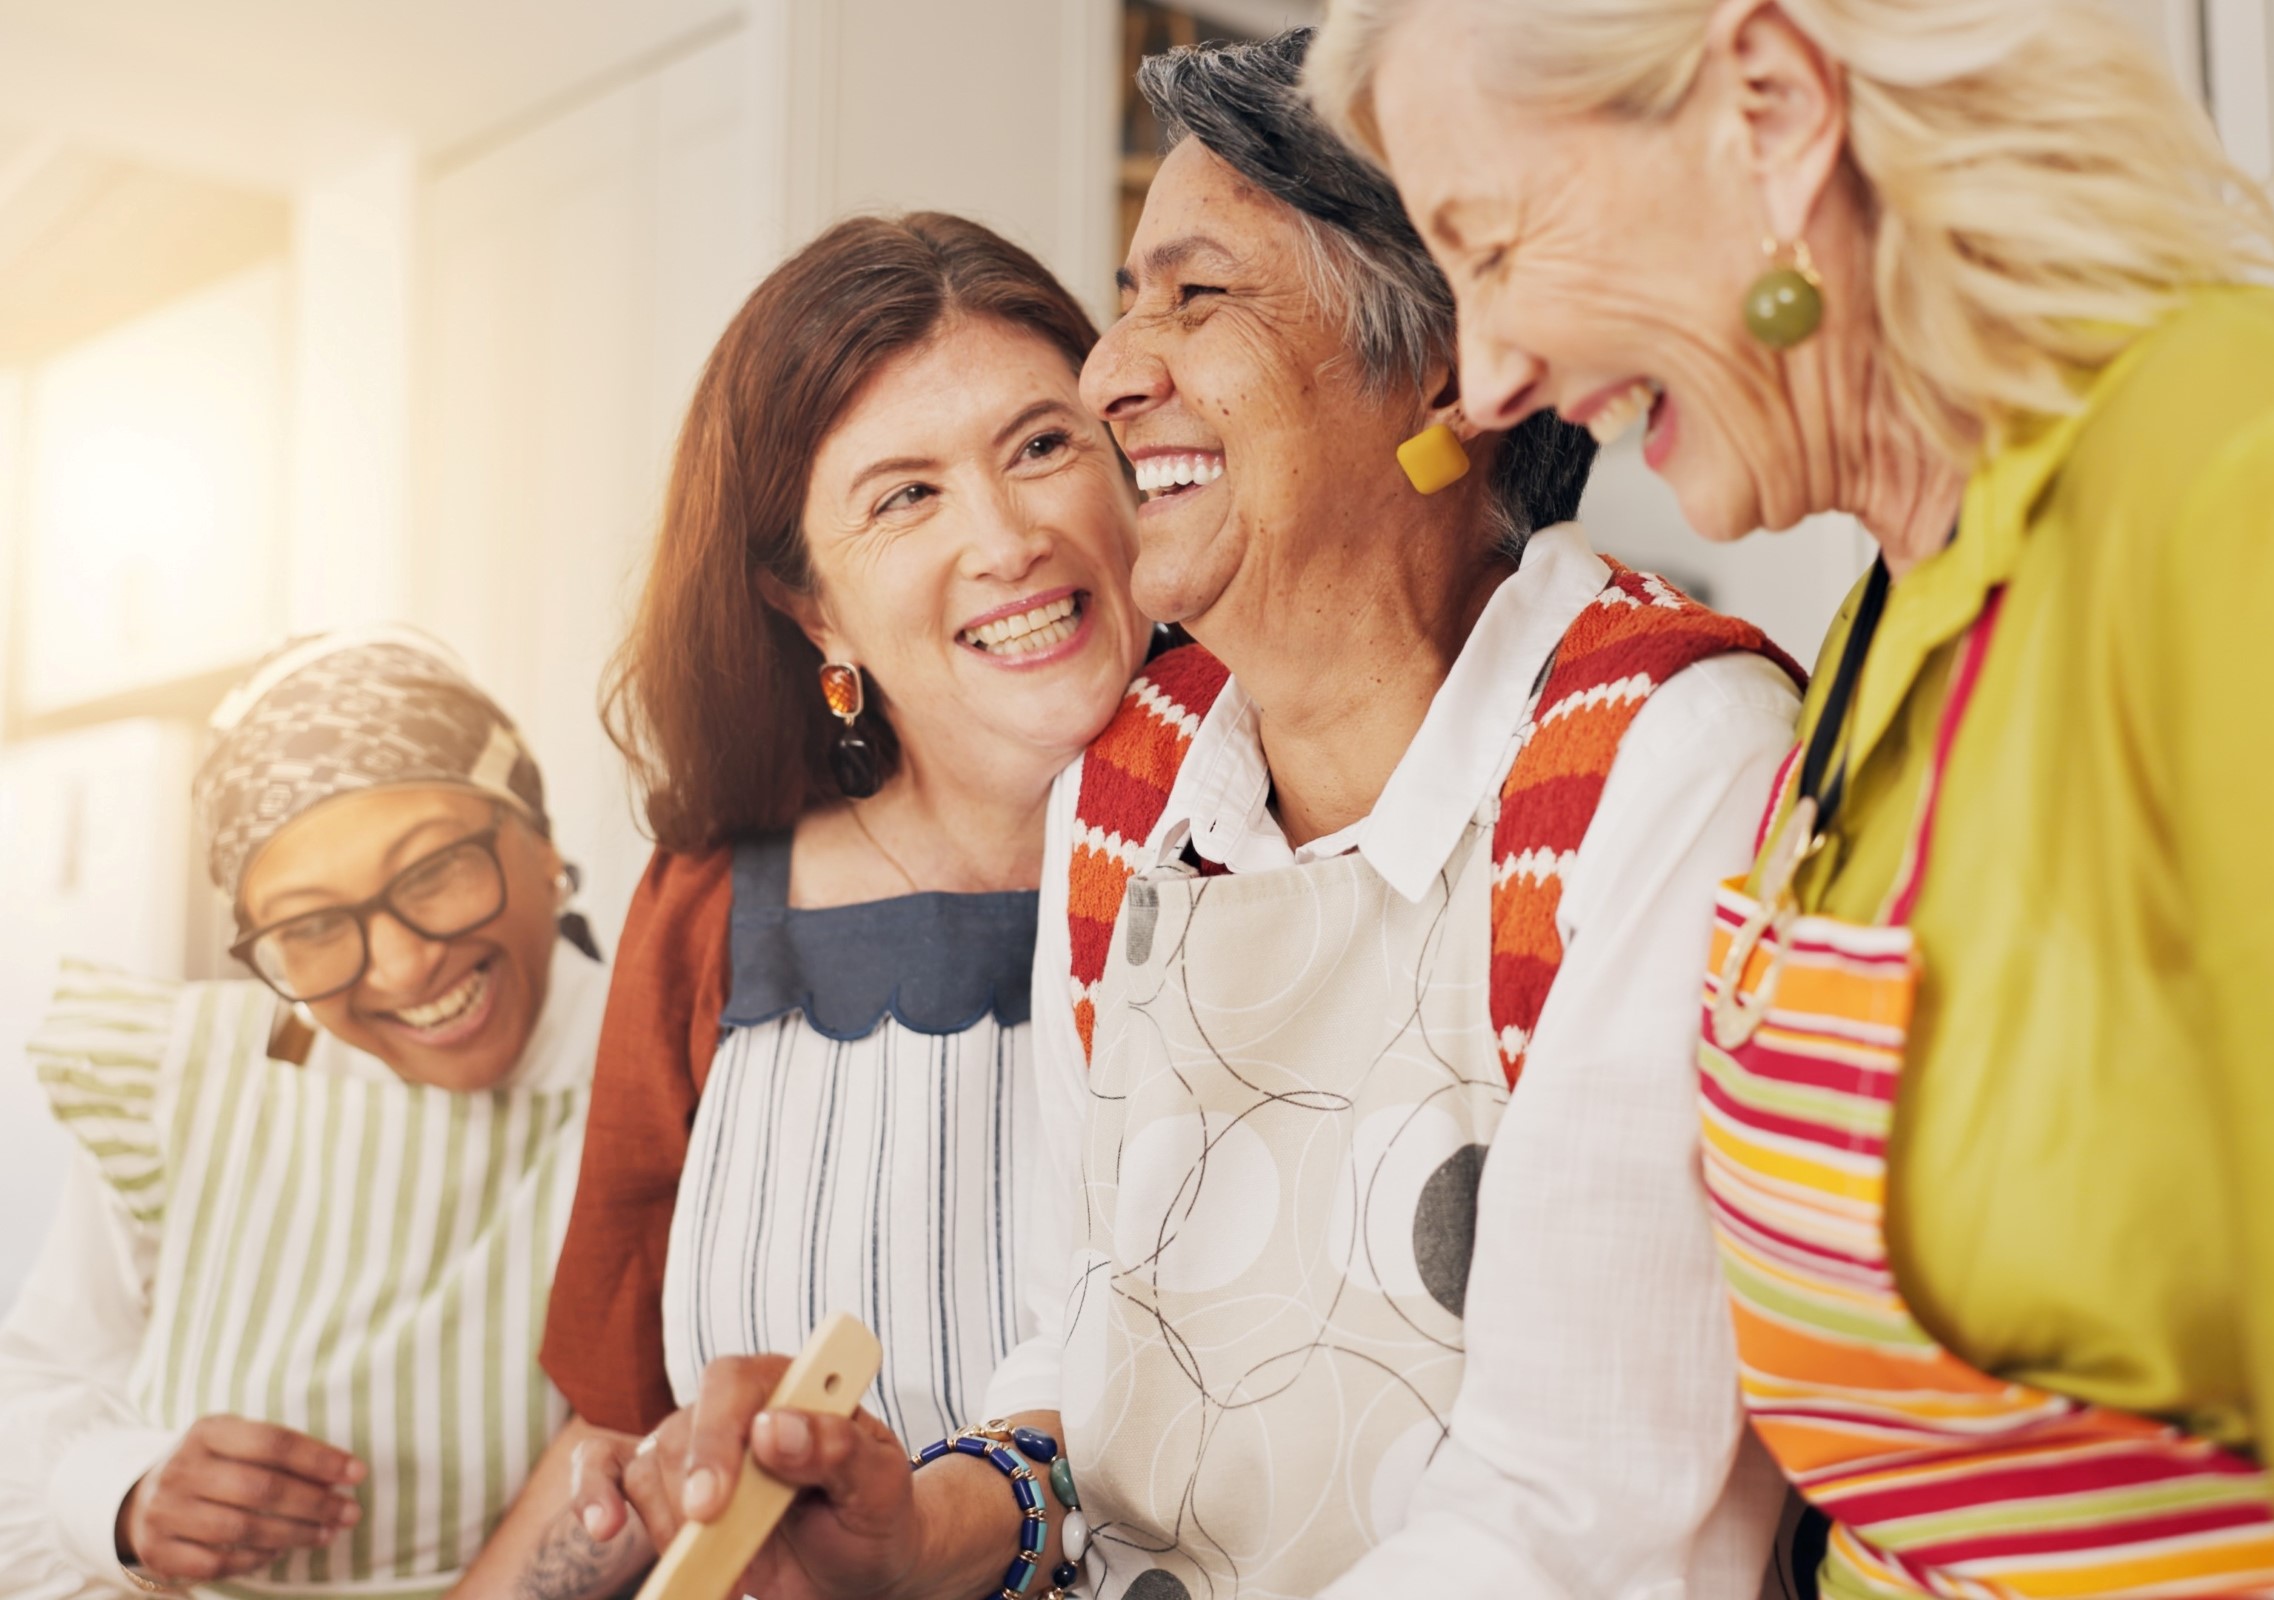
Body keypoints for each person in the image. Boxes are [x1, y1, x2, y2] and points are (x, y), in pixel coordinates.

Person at [608, 31, 1806, 1600]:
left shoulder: (1664, 753)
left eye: (1196, 296)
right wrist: (925, 1530)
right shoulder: (1134, 781)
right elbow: (1083, 1358)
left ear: (1451, 360)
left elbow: (1594, 1519)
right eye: (1127, 299)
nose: (1112, 369)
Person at [1309, 0, 2274, 1594]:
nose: (1486, 378)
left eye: (1493, 245)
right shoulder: (1877, 634)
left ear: (1769, 108)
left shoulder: (2258, 466)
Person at [461, 213, 1152, 1598]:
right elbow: (615, 1428)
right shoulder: (710, 904)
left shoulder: (1269, 844)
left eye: (1042, 445)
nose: (1009, 538)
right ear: (810, 607)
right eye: (905, 496)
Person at [0, 626, 610, 1600]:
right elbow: (29, 1398)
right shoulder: (187, 1084)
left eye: (434, 869)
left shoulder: (668, 1082)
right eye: (314, 926)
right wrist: (123, 1497)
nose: (404, 966)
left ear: (539, 841)